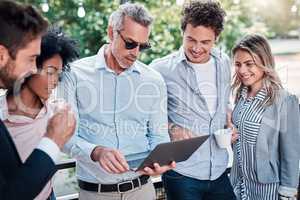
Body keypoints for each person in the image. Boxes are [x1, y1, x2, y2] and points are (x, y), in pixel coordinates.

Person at [58, 3, 175, 200]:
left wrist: (160, 162)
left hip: (143, 191)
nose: (136, 53)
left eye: (142, 46)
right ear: (111, 33)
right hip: (96, 193)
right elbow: (63, 137)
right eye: (130, 43)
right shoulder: (74, 74)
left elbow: (159, 136)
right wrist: (96, 152)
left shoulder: (153, 80)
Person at [150, 1, 236, 200]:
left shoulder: (223, 62)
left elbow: (222, 102)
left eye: (205, 42)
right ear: (182, 33)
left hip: (219, 170)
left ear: (216, 38)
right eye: (191, 40)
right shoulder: (160, 69)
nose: (197, 48)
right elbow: (144, 116)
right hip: (182, 174)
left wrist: (228, 114)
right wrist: (171, 128)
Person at [0, 1, 76, 199]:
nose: (32, 69)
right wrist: (53, 139)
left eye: (57, 74)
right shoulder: (2, 115)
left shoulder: (55, 111)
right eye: (31, 59)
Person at [230, 34, 300, 200]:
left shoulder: (284, 100)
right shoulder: (240, 95)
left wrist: (287, 193)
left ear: (264, 62)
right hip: (240, 184)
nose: (242, 70)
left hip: (268, 189)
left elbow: (291, 153)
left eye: (249, 64)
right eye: (238, 64)